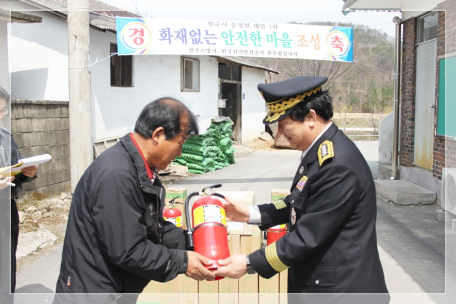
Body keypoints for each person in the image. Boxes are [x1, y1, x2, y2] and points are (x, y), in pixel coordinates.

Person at [215, 76, 389, 294]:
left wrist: (249, 263)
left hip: (342, 292)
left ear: (310, 117)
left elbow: (308, 236)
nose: (278, 133)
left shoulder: (338, 165)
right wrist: (249, 214)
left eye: (283, 124)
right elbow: (297, 203)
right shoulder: (319, 151)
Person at [54, 97, 215, 303]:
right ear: (158, 135)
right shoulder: (116, 175)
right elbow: (128, 250)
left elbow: (153, 228)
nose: (180, 153)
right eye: (180, 144)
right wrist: (183, 262)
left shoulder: (140, 169)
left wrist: (196, 242)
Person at [0, 86, 38, 295]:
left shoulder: (5, 137)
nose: (0, 116)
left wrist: (27, 172)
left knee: (6, 268)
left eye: (2, 111)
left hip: (5, 209)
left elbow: (15, 169)